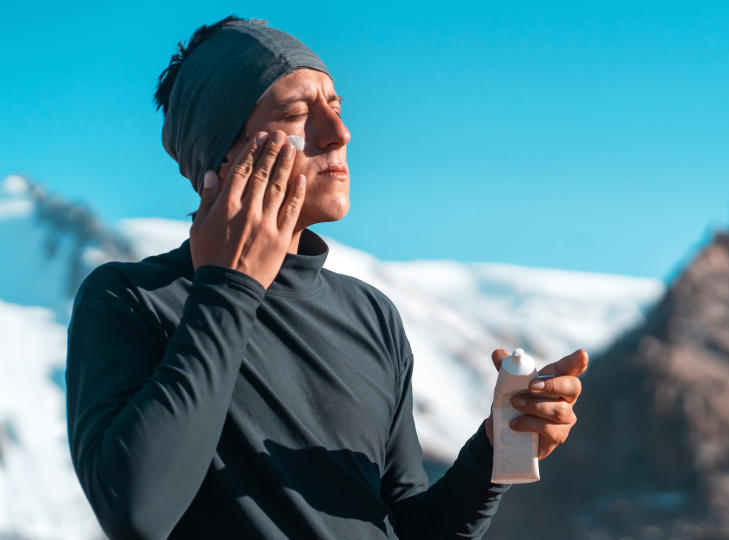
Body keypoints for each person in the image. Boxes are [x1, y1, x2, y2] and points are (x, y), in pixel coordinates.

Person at [65, 15, 588, 539]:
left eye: (335, 108)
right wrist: (227, 289)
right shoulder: (131, 301)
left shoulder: (371, 314)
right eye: (298, 114)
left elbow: (408, 527)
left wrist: (493, 452)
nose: (339, 133)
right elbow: (136, 514)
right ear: (223, 157)